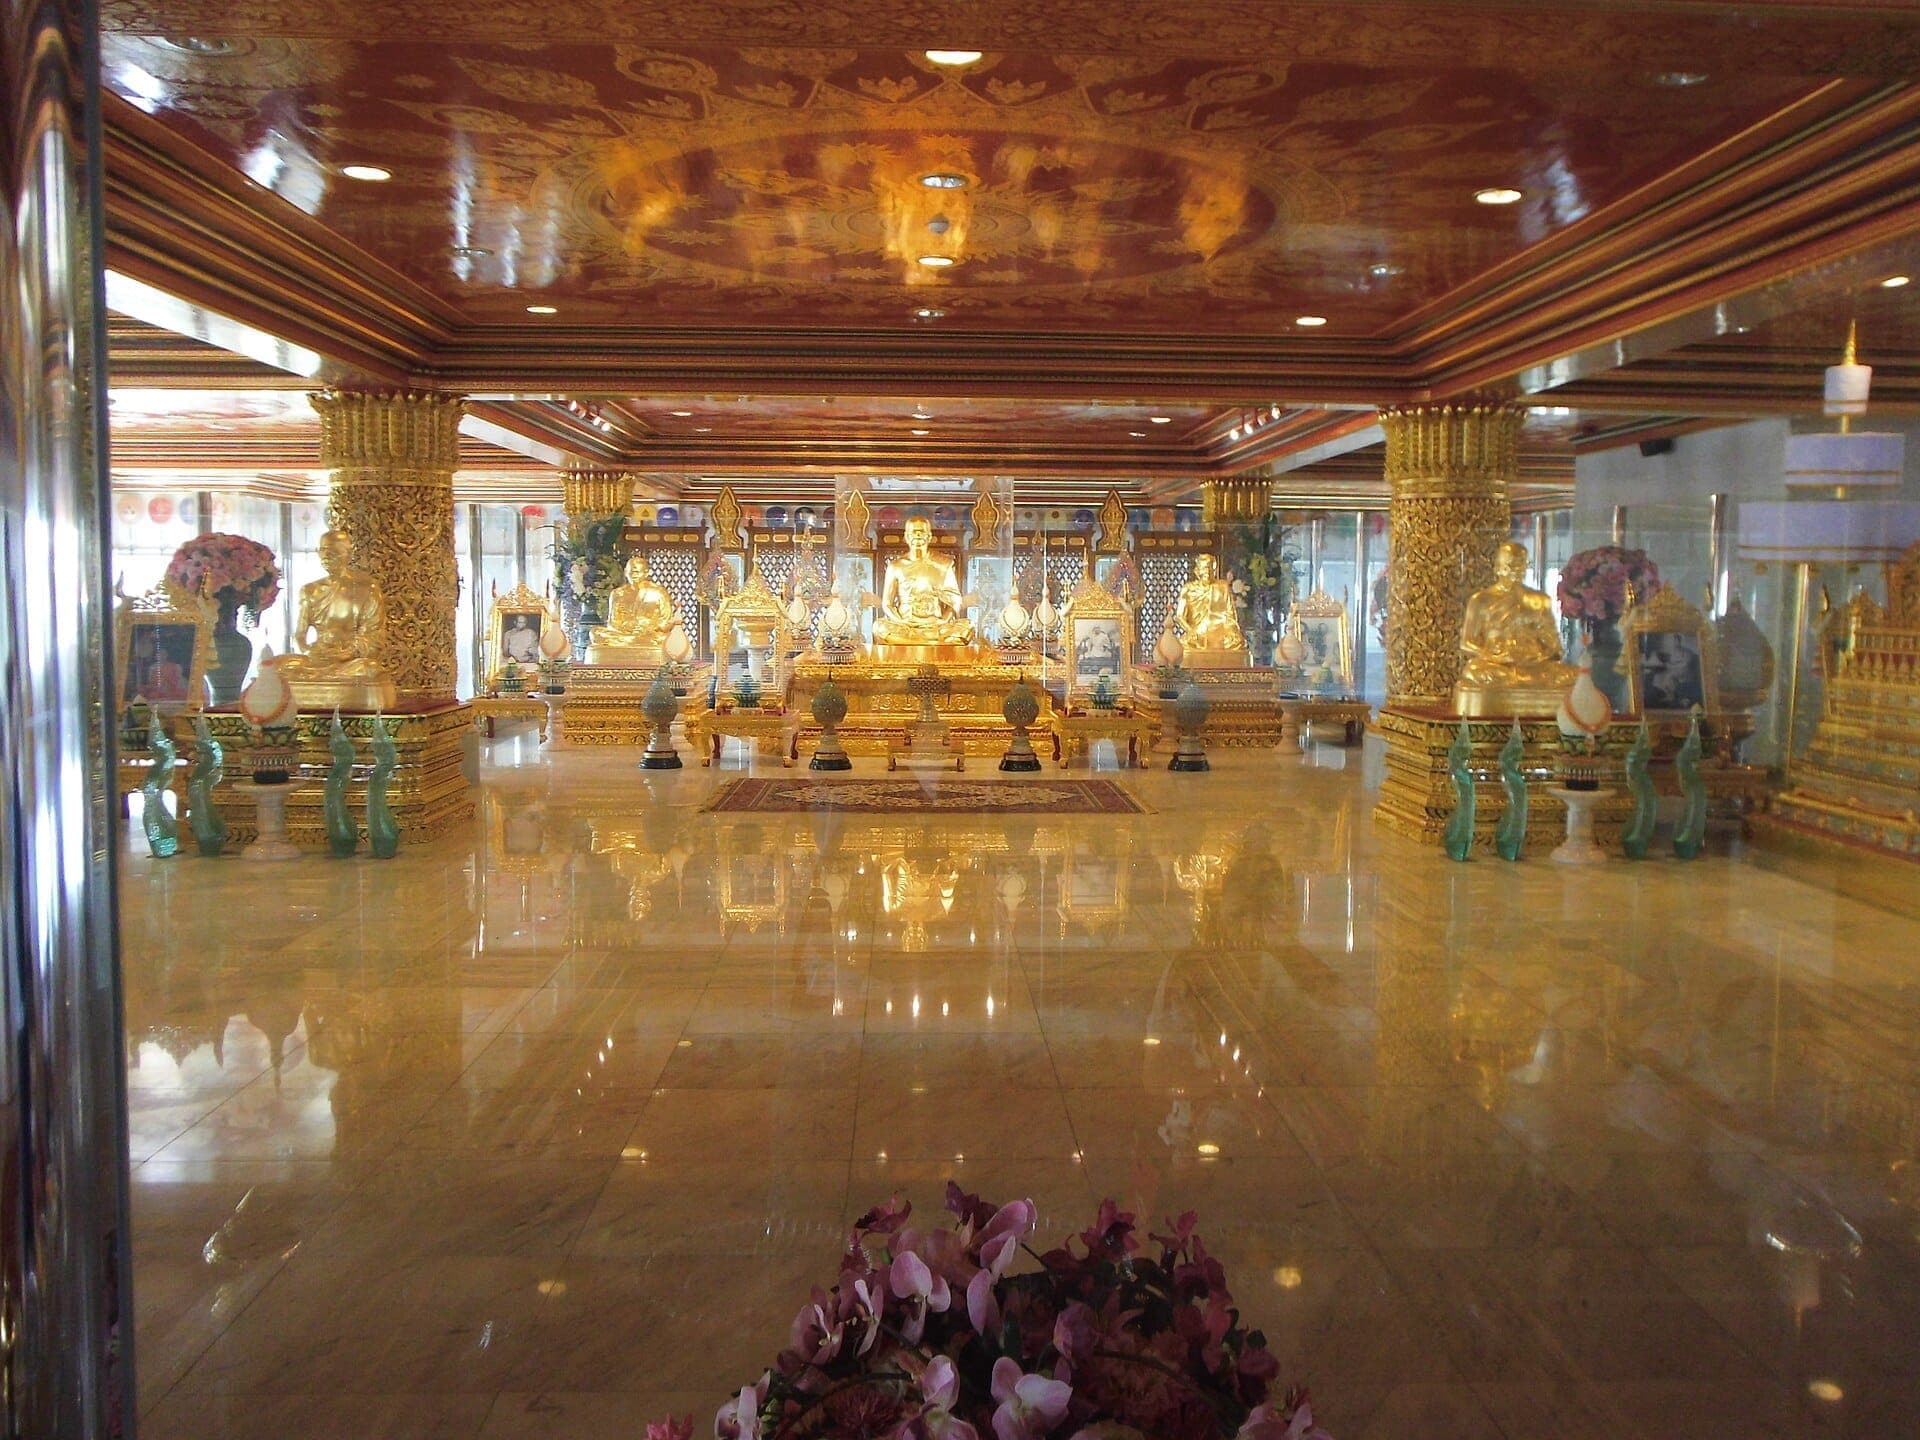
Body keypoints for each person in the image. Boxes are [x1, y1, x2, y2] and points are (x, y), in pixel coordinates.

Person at [262, 529, 397, 709]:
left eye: (334, 551)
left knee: (369, 669)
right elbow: (300, 636)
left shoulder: (367, 589)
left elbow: (374, 636)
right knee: (276, 666)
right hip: (317, 659)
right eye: (323, 550)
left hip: (349, 662)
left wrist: (347, 653)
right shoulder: (310, 590)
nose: (327, 556)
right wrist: (310, 650)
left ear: (348, 553)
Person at [1452, 540, 1578, 715]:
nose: (1516, 570)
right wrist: (1493, 655)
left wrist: (1542, 654)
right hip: (1498, 666)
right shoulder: (1481, 600)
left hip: (1535, 667)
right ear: (1498, 566)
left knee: (1572, 675)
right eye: (1511, 565)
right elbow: (1467, 642)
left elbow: (1554, 645)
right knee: (1475, 672)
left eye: (1521, 565)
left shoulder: (1539, 600)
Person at [873, 517, 974, 646]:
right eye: (914, 532)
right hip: (906, 625)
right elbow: (887, 604)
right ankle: (934, 642)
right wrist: (900, 622)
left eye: (921, 531)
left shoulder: (943, 564)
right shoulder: (895, 566)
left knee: (967, 627)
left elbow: (954, 601)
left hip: (935, 624)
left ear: (929, 536)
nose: (918, 535)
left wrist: (944, 620)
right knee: (879, 627)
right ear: (906, 536)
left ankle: (913, 642)